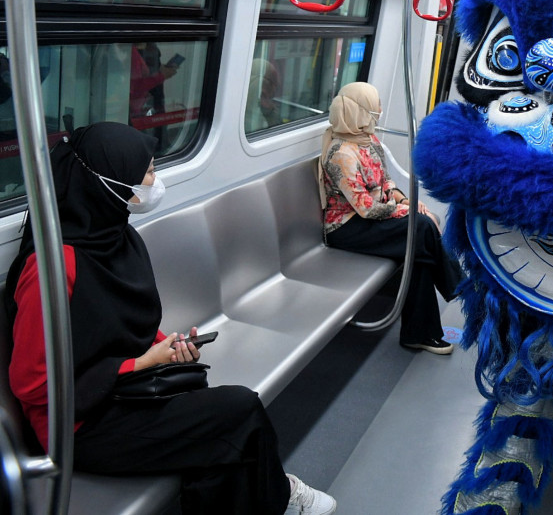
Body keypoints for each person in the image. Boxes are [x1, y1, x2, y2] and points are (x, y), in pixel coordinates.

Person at [5, 123, 335, 515]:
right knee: (239, 410)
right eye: (146, 173)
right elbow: (31, 384)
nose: (154, 181)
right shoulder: (53, 267)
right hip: (76, 425)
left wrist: (167, 345)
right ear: (108, 183)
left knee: (217, 424)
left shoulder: (119, 238)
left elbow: (128, 324)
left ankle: (271, 494)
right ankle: (279, 495)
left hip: (121, 392)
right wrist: (142, 364)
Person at [318, 82, 461, 354]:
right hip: (347, 228)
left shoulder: (369, 141)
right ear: (358, 112)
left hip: (369, 219)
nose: (380, 111)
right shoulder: (341, 154)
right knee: (421, 227)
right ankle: (459, 286)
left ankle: (419, 333)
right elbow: (365, 209)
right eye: (374, 107)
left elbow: (385, 183)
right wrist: (404, 211)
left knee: (419, 251)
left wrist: (405, 200)